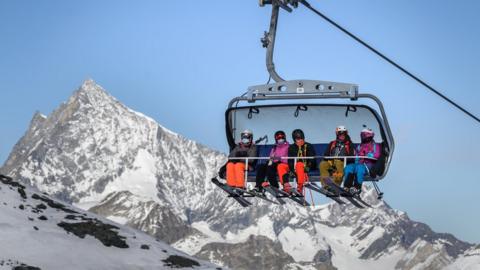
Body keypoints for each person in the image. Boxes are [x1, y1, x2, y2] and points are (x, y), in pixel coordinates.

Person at [343, 128, 382, 194]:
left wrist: (368, 155)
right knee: (348, 167)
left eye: (363, 135)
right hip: (359, 163)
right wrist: (357, 157)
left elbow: (377, 154)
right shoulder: (360, 146)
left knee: (359, 168)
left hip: (369, 164)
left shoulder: (375, 145)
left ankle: (357, 187)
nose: (362, 137)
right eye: (362, 135)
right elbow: (356, 155)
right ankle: (347, 186)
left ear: (368, 136)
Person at [287, 129, 316, 194]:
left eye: (301, 138)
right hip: (297, 167)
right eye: (298, 139)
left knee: (299, 164)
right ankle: (287, 187)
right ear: (294, 140)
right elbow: (290, 161)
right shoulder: (292, 148)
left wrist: (308, 166)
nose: (300, 140)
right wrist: (292, 170)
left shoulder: (308, 146)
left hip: (308, 166)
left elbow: (312, 158)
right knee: (298, 165)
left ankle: (300, 186)